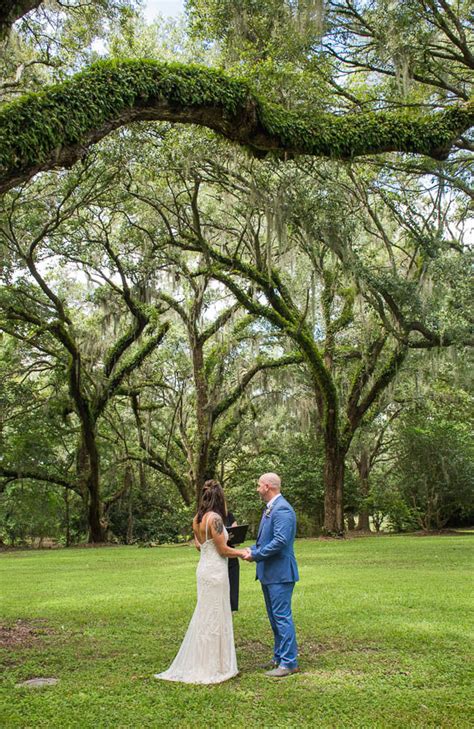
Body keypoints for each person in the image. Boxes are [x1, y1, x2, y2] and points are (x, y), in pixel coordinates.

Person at [154, 480, 247, 684]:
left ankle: (207, 661)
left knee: (206, 614)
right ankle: (214, 666)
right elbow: (223, 550)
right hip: (216, 571)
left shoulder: (197, 519)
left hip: (204, 568)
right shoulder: (215, 519)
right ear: (219, 497)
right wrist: (242, 552)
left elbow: (200, 545)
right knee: (216, 614)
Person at [242, 472, 300, 677]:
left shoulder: (282, 508)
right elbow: (266, 540)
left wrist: (256, 555)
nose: (257, 489)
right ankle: (279, 657)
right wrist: (251, 549)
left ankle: (289, 662)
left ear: (267, 486)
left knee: (282, 617)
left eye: (259, 485)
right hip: (269, 573)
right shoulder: (270, 508)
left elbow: (280, 541)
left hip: (281, 573)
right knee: (275, 617)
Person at [225, 509, 240, 611]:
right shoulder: (206, 516)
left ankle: (231, 608)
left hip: (231, 555)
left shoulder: (228, 515)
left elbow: (237, 540)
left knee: (233, 583)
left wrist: (235, 538)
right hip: (218, 556)